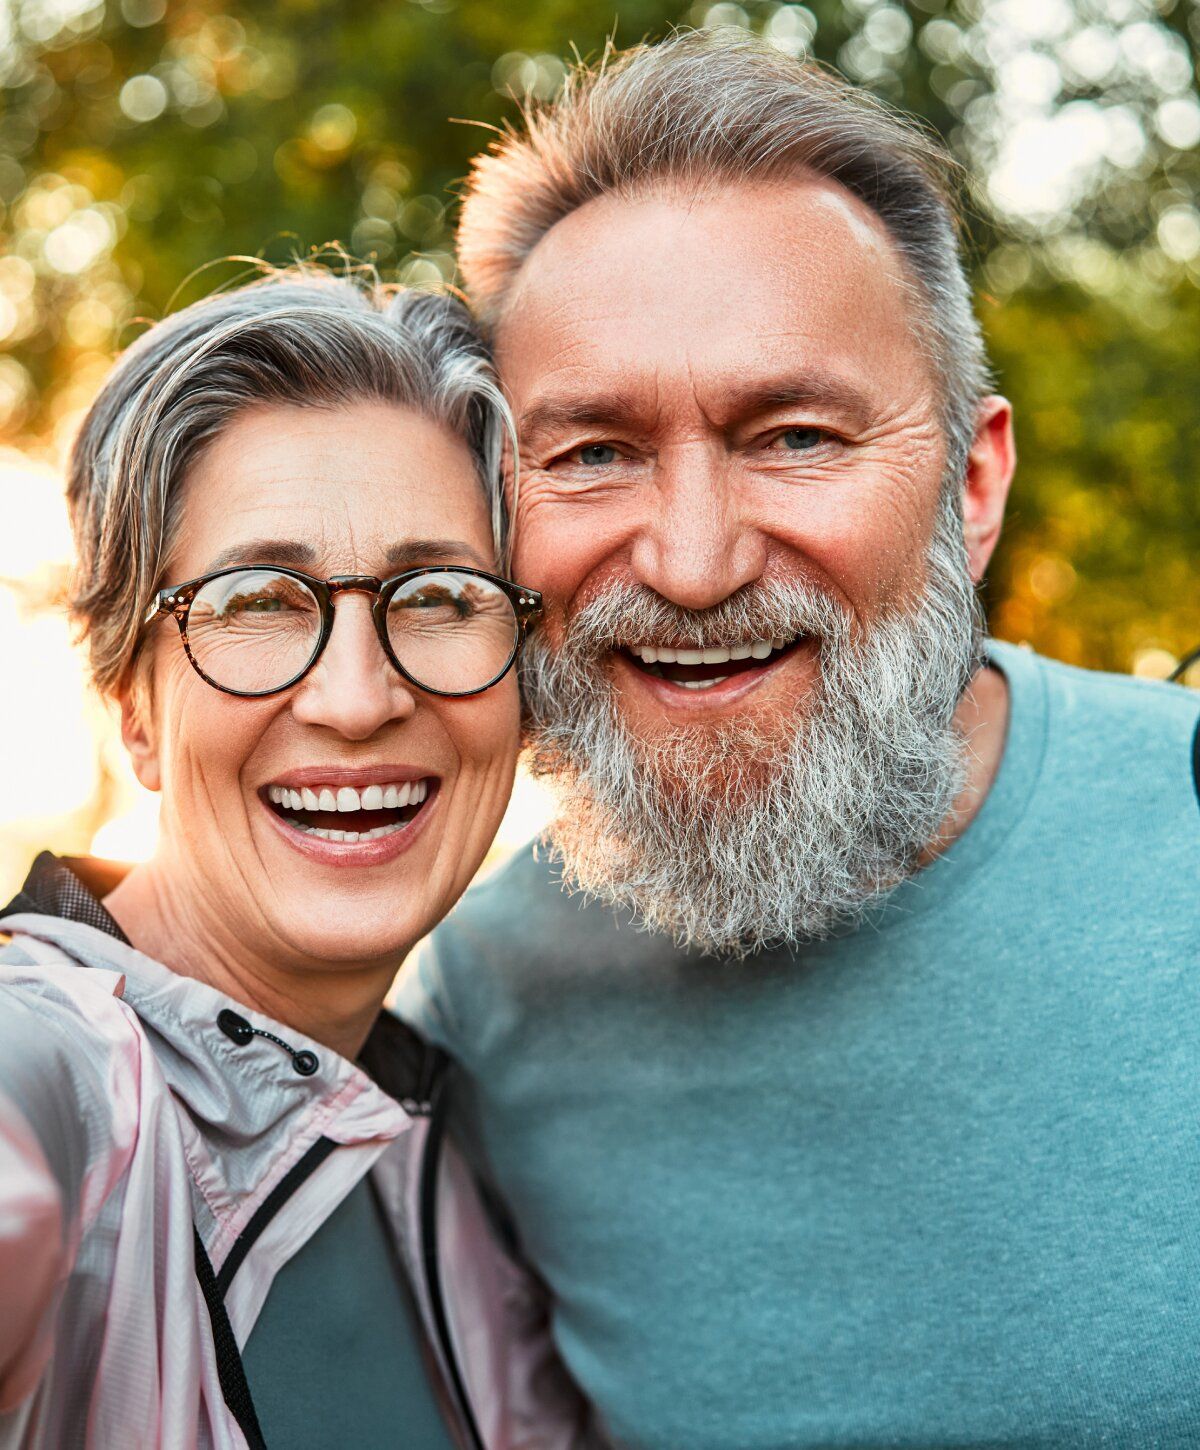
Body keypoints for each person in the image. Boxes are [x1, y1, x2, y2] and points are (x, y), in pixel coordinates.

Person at [398, 29, 1200, 1449]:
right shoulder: (484, 1002)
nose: (694, 563)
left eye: (797, 437)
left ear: (971, 485)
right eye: (592, 453)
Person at [0, 269, 600, 1449]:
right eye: (260, 601)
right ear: (132, 706)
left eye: (439, 596)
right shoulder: (54, 1073)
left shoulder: (455, 1156)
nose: (358, 697)